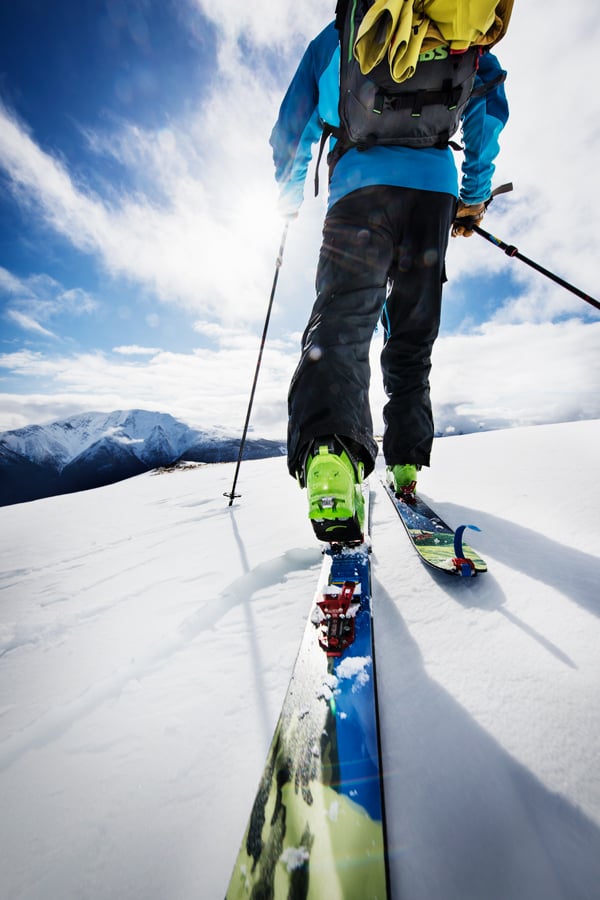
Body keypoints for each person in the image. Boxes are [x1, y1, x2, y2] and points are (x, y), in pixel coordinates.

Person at [270, 14, 509, 542]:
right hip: (431, 192)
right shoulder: (463, 23)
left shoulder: (343, 32)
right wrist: (472, 196)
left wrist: (288, 199)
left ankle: (331, 455)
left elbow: (292, 126)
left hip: (359, 191)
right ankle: (405, 462)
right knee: (411, 334)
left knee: (343, 321)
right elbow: (487, 110)